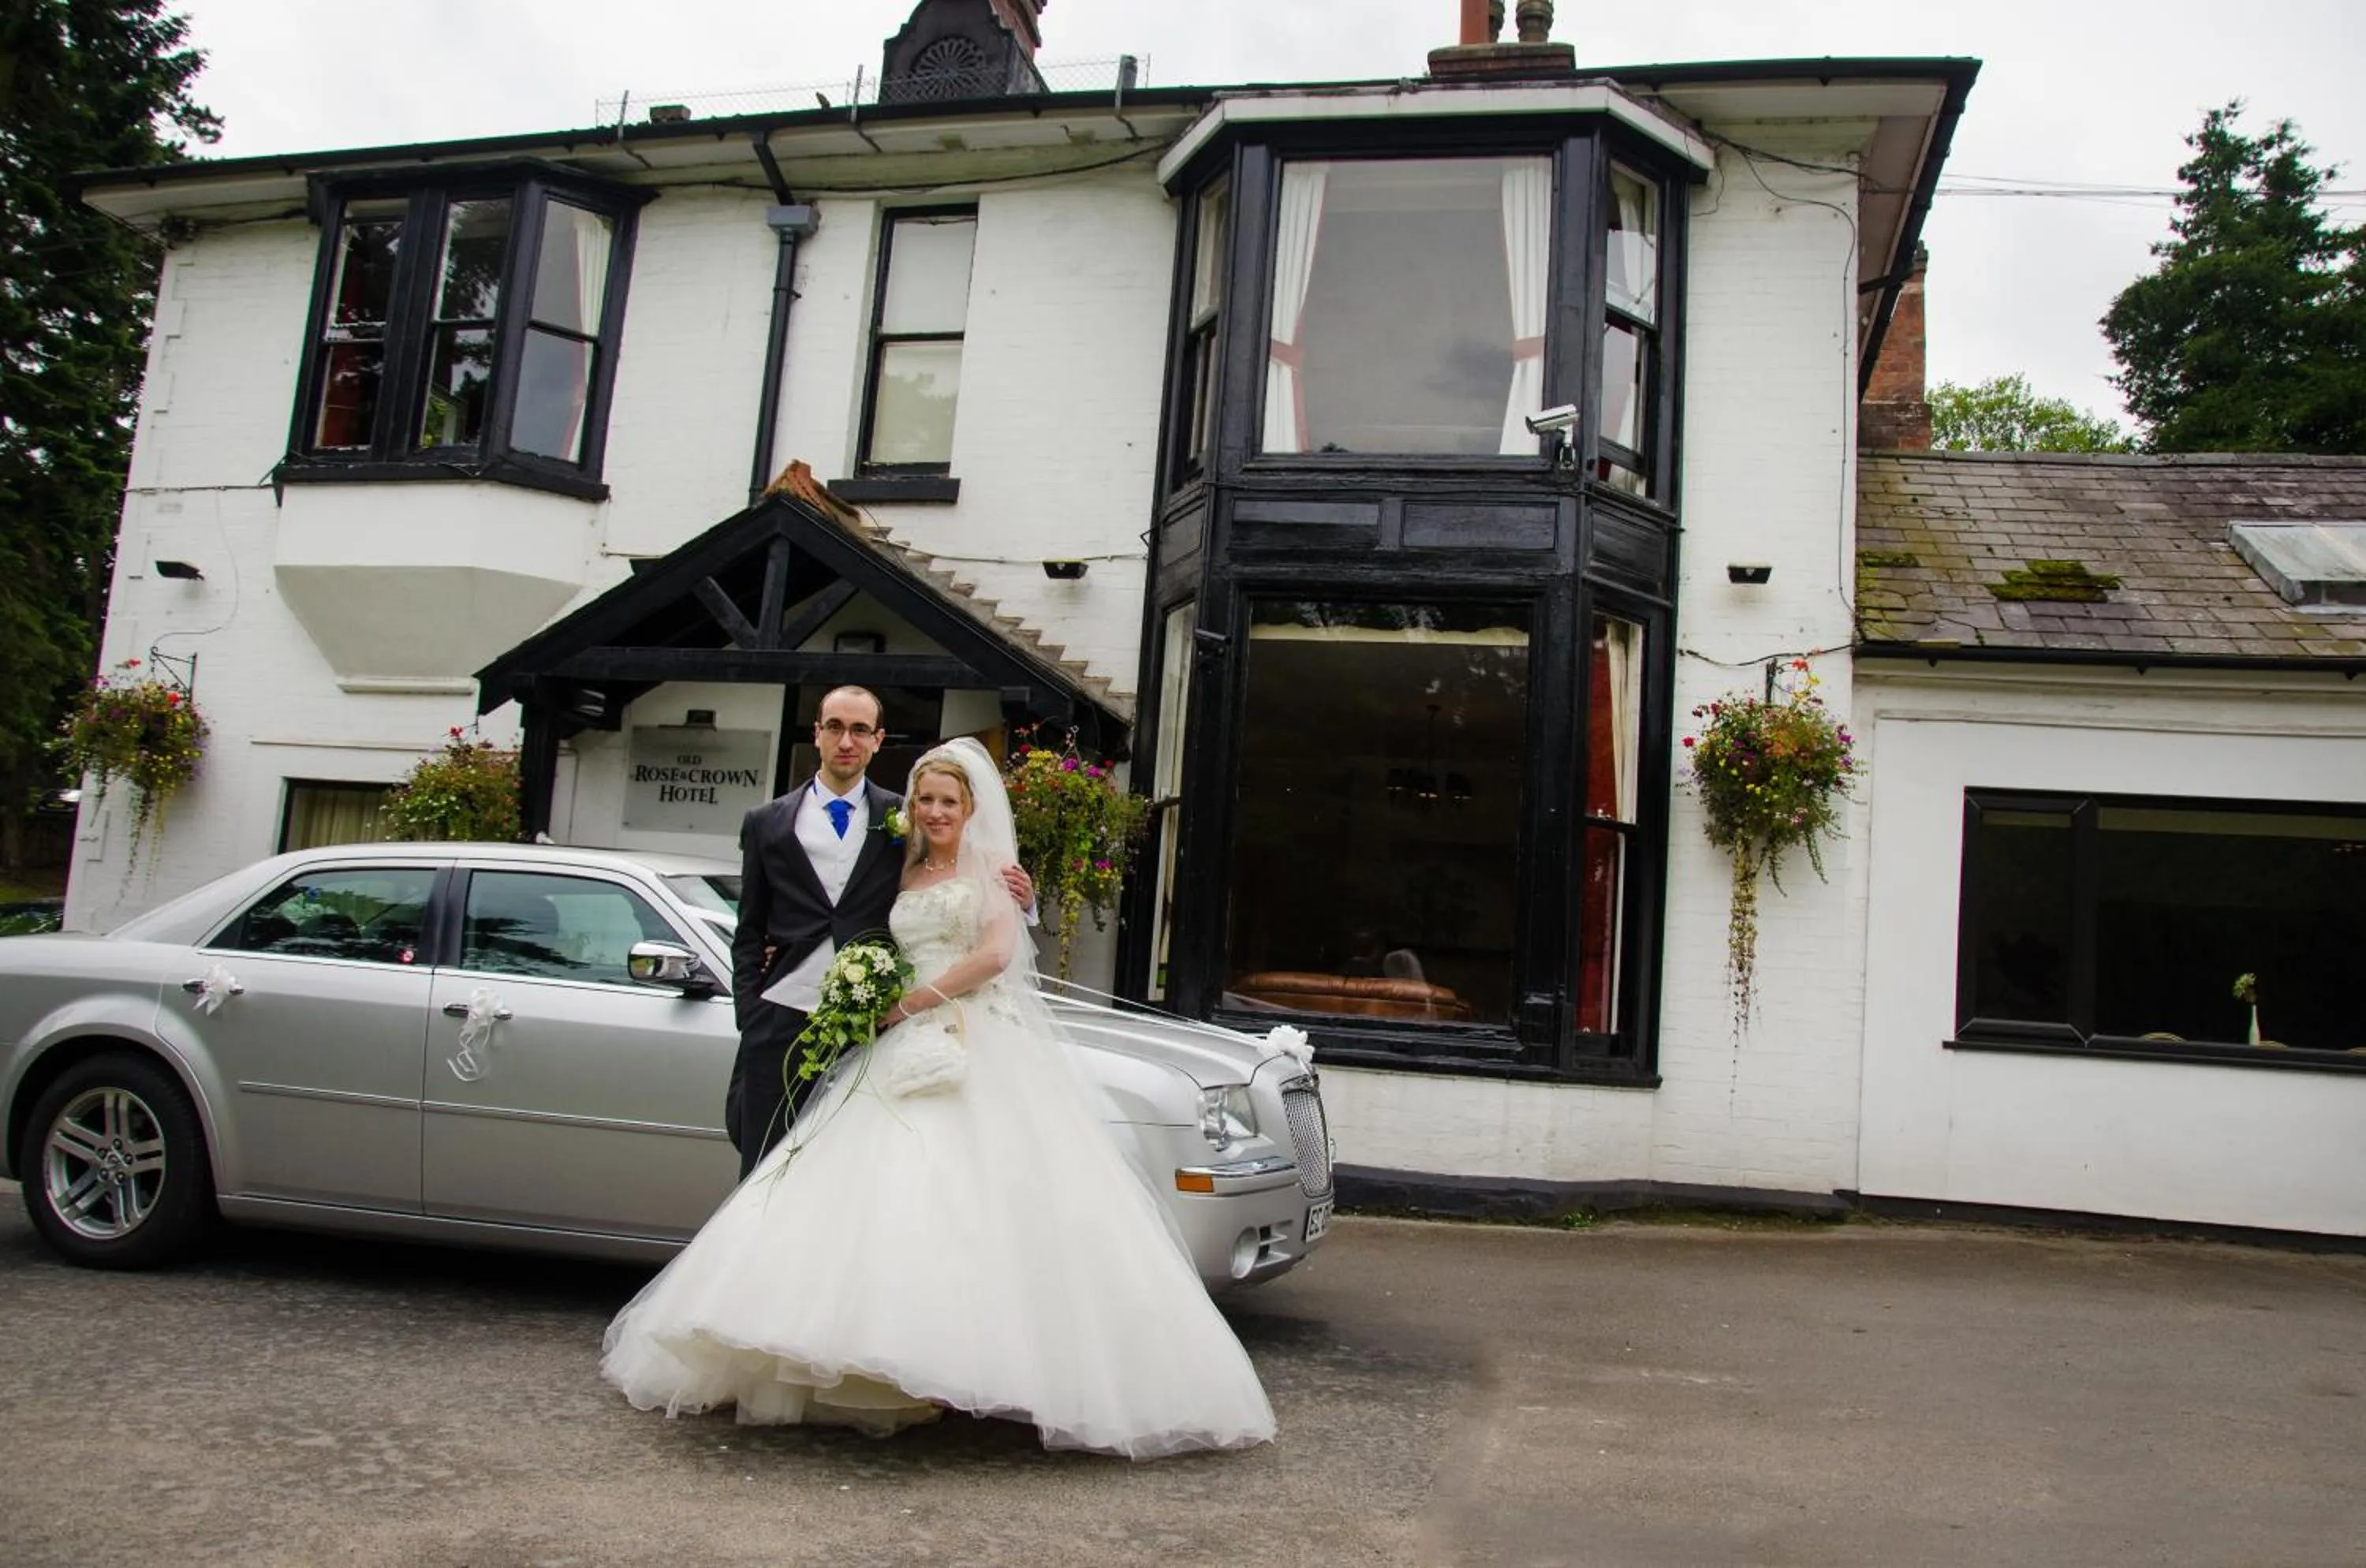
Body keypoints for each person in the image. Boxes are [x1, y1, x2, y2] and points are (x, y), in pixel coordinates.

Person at [604, 738, 1277, 1457]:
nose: (935, 811)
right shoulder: (902, 867)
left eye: (948, 801)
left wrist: (915, 999)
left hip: (973, 1036)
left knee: (980, 1198)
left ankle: (987, 1366)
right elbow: (851, 923)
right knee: (873, 1195)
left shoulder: (995, 871)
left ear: (970, 807)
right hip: (899, 1040)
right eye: (925, 799)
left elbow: (994, 955)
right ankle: (871, 1358)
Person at [726, 686, 1029, 1177]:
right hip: (781, 1017)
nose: (846, 741)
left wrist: (1022, 898)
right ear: (817, 734)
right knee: (764, 1165)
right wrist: (751, 1012)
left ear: (878, 740)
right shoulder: (767, 823)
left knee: (852, 1172)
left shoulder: (905, 822)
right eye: (835, 727)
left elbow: (955, 877)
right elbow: (749, 928)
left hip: (869, 1029)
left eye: (860, 730)